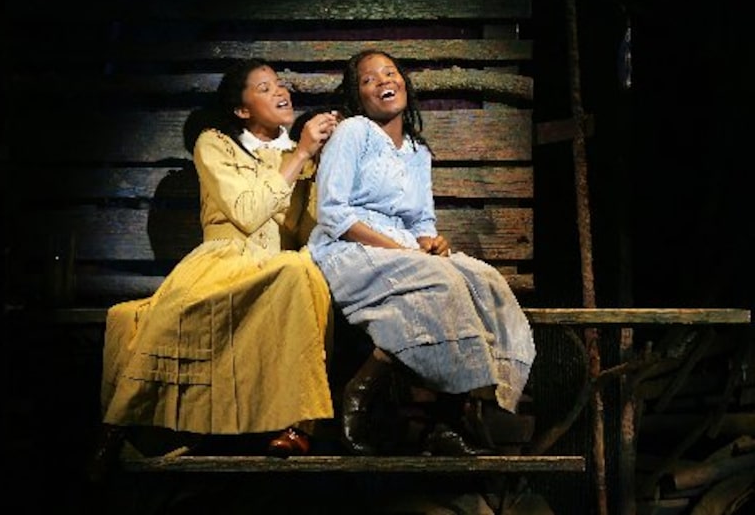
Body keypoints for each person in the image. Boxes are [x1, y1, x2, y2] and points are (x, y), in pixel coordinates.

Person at [88, 58, 340, 480]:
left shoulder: (301, 156)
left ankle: (298, 423)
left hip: (278, 269)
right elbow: (246, 212)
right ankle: (126, 428)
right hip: (225, 263)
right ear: (242, 110)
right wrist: (298, 155)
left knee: (300, 270)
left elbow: (304, 229)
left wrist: (322, 162)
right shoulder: (216, 144)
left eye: (279, 83)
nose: (280, 91)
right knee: (140, 317)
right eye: (263, 87)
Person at [307, 49, 536, 456]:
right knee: (442, 280)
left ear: (405, 84)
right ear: (357, 97)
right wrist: (404, 250)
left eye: (389, 73)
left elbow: (422, 222)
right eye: (368, 80)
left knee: (484, 280)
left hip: (403, 252)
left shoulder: (416, 151)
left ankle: (450, 416)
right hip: (349, 248)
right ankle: (361, 390)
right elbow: (332, 212)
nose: (382, 82)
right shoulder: (354, 132)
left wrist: (432, 242)